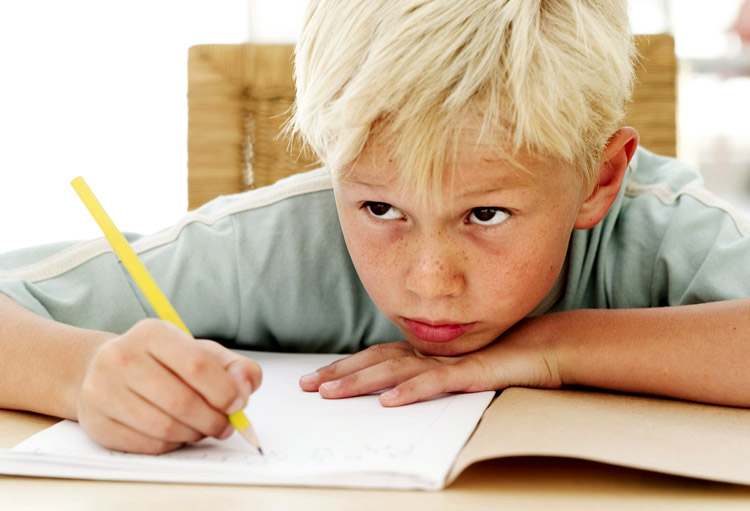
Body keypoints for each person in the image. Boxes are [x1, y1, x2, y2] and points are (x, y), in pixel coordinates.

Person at [1, 0, 749, 455]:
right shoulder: (280, 244)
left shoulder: (659, 231)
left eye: (485, 213)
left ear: (600, 179)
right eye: (380, 209)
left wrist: (548, 349)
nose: (428, 279)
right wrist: (82, 374)